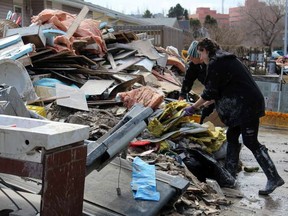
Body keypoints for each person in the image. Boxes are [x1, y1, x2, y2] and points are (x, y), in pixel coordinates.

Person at [184, 38, 284, 195]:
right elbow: (218, 90)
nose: (200, 57)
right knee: (231, 135)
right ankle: (229, 175)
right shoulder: (223, 59)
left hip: (247, 106)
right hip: (242, 104)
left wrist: (192, 107)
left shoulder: (217, 62)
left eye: (200, 53)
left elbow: (209, 92)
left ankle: (273, 177)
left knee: (251, 141)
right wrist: (204, 104)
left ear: (206, 50)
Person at [179, 40, 215, 124]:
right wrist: (182, 94)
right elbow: (188, 80)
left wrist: (197, 106)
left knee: (211, 114)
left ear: (199, 56)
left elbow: (215, 88)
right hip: (209, 92)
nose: (190, 58)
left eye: (192, 56)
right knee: (205, 113)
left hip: (216, 93)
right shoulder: (194, 65)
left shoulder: (212, 66)